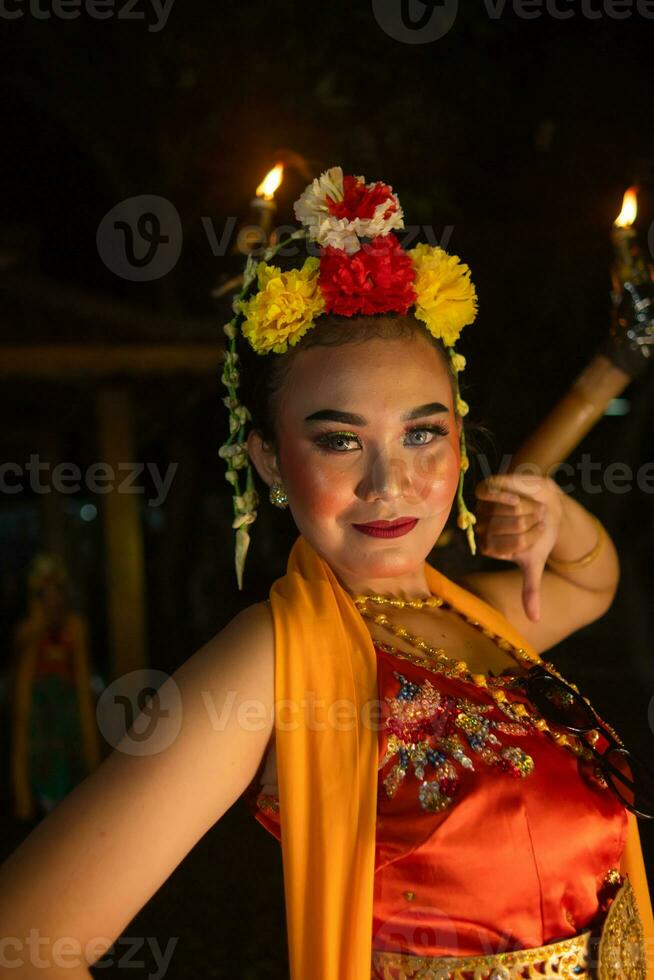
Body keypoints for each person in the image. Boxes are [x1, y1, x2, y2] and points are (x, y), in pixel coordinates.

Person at [0, 166, 651, 980]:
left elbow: (591, 582)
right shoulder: (272, 659)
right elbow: (22, 942)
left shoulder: (476, 618)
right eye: (340, 441)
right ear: (269, 460)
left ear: (459, 440)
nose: (390, 484)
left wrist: (559, 513)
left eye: (423, 435)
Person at [9, 554, 102, 822]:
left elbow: (84, 692)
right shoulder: (28, 632)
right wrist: (21, 787)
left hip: (69, 729)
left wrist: (93, 758)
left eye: (56, 591)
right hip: (39, 735)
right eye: (43, 593)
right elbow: (21, 712)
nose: (52, 600)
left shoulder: (74, 628)